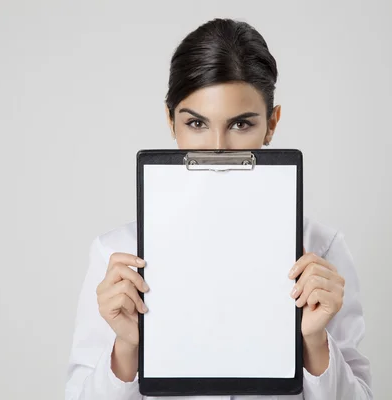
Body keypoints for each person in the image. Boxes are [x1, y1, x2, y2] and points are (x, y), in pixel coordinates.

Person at [65, 18, 373, 400]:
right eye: (196, 122)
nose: (218, 149)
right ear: (170, 120)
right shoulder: (117, 256)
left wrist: (314, 343)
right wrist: (126, 349)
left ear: (272, 124)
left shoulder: (321, 252)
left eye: (241, 124)